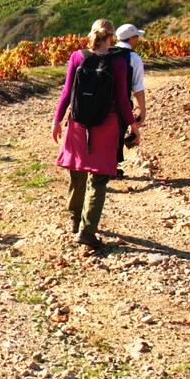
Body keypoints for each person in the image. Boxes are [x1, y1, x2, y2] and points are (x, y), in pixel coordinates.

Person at [51, 19, 139, 251]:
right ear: (111, 37)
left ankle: (74, 218)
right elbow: (122, 99)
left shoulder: (78, 57)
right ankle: (87, 231)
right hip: (106, 124)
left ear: (91, 34)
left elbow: (67, 92)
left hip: (78, 124)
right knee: (98, 179)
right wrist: (133, 125)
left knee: (76, 171)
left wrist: (57, 120)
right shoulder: (120, 61)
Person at [113, 23, 147, 176]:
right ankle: (110, 168)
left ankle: (102, 166)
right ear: (132, 38)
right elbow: (137, 87)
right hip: (121, 101)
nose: (138, 40)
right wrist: (142, 109)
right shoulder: (133, 58)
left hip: (102, 101)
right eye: (137, 37)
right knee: (118, 133)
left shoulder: (107, 52)